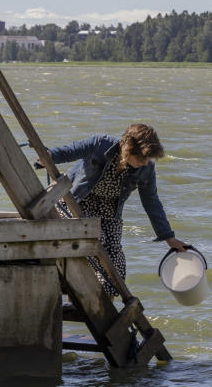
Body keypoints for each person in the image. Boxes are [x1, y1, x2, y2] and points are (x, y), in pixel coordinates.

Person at [41, 123, 188, 296]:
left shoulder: (146, 169)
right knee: (96, 240)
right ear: (129, 149)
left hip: (109, 212)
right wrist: (50, 156)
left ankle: (102, 307)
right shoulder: (101, 144)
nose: (146, 163)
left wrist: (168, 237)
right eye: (142, 159)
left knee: (116, 263)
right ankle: (77, 292)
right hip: (78, 203)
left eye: (148, 159)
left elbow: (152, 202)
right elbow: (71, 150)